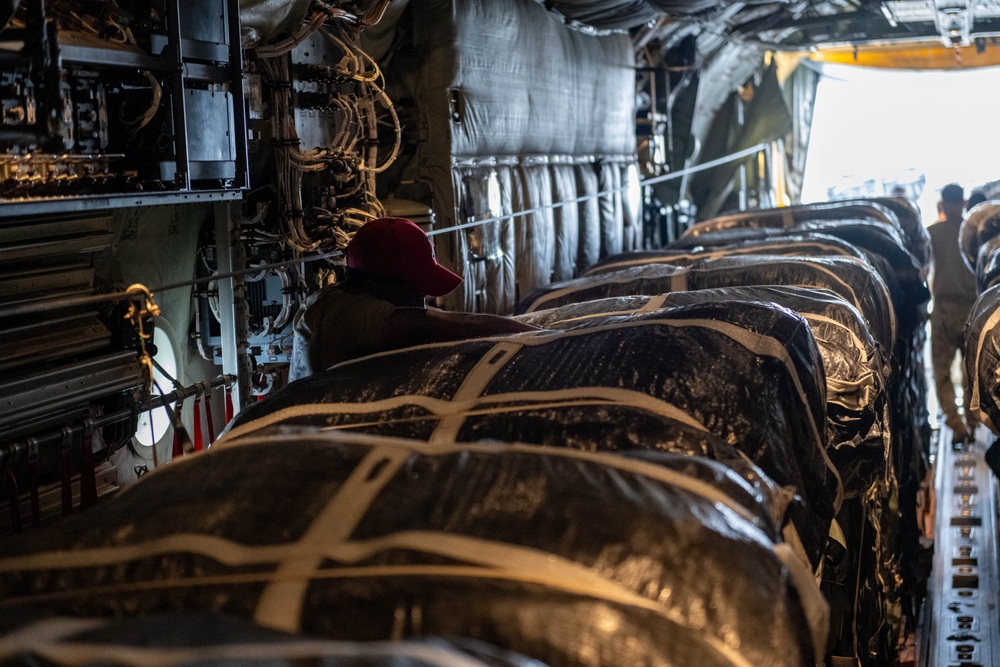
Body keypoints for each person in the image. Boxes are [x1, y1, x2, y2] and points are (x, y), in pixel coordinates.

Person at [289, 216, 540, 381]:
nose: (423, 299)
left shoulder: (346, 299)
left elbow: (445, 320)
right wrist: (544, 337)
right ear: (372, 285)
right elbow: (435, 326)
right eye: (414, 289)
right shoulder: (348, 315)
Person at [927, 183, 979, 443]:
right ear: (963, 203)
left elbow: (923, 269)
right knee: (971, 371)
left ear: (943, 204)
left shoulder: (932, 233)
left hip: (945, 309)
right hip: (972, 309)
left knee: (942, 371)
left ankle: (956, 425)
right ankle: (974, 421)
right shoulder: (975, 232)